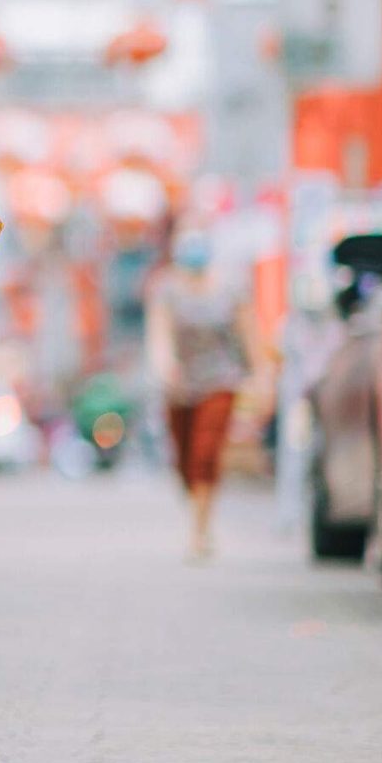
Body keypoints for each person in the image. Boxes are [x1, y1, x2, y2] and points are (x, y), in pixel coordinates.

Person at [143, 223, 255, 562]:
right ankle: (197, 508)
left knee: (206, 451)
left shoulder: (230, 288)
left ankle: (199, 530)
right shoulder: (166, 288)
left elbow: (248, 333)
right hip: (180, 384)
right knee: (183, 459)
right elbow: (159, 335)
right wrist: (165, 369)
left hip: (221, 379)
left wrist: (259, 376)